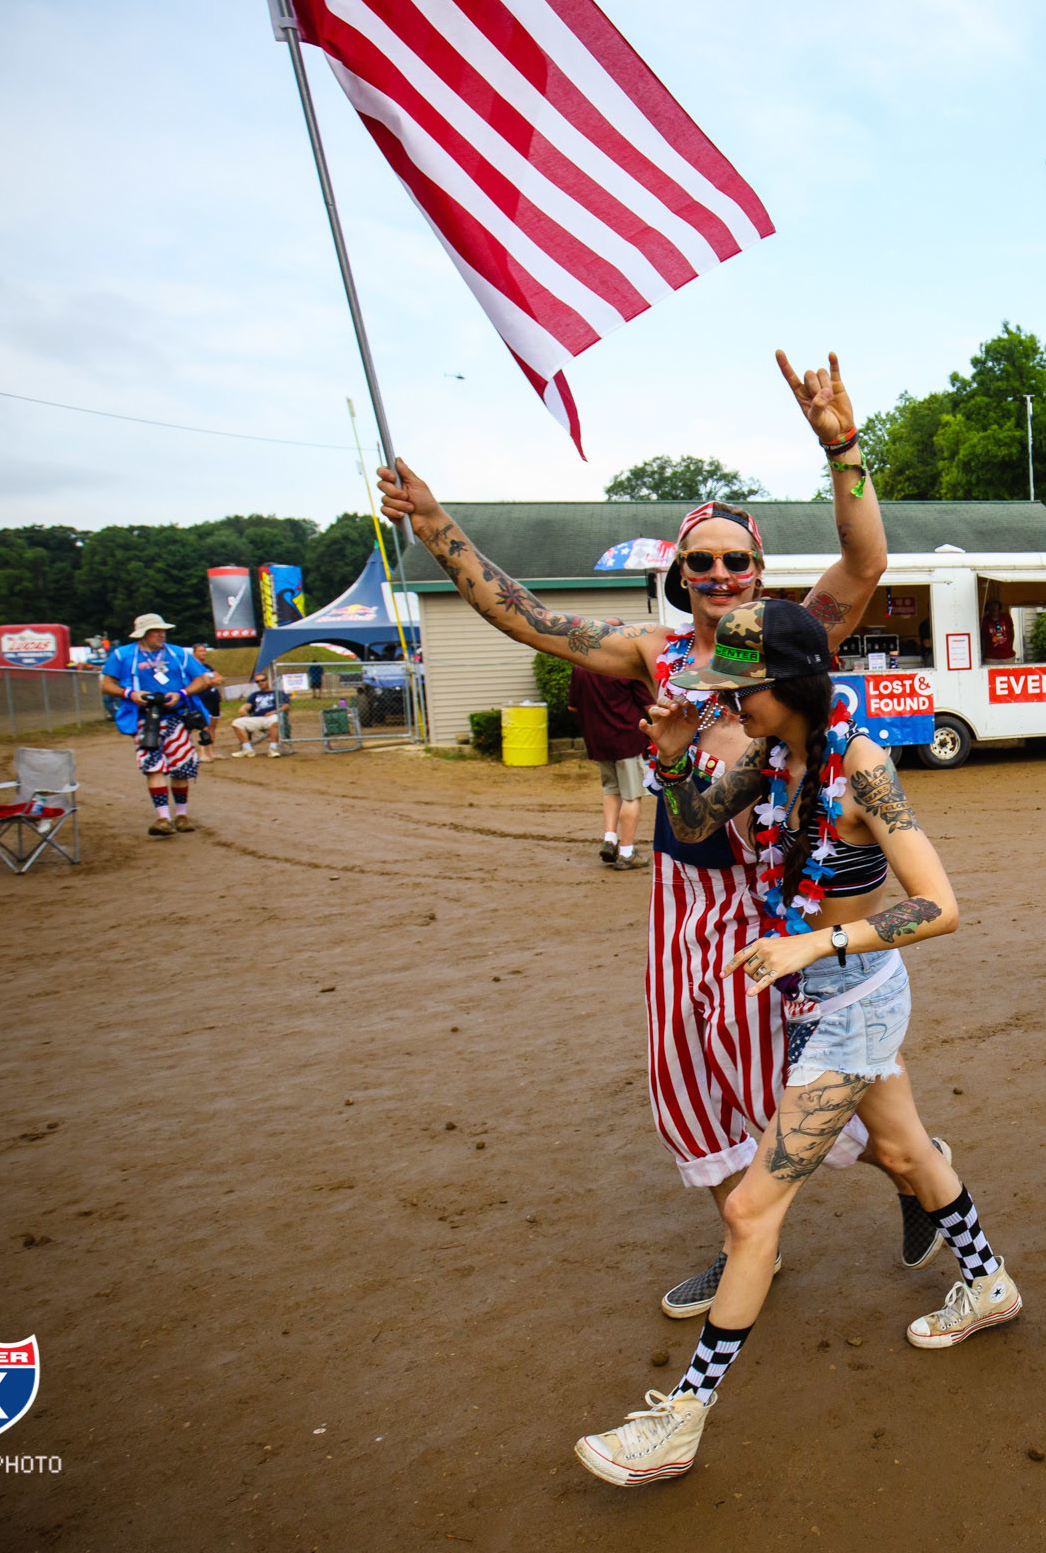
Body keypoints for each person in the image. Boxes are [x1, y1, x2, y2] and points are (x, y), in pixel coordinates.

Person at [380, 350, 936, 1317]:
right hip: (684, 897)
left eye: (737, 559)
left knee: (833, 1085)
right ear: (680, 575)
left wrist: (842, 445)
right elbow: (531, 622)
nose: (721, 573)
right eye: (703, 561)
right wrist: (437, 528)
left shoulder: (797, 632)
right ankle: (743, 1236)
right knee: (692, 1074)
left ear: (760, 573)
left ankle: (917, 1188)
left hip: (778, 897)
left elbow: (866, 562)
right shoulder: (655, 652)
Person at [573, 597, 1013, 1488]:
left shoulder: (864, 770)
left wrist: (818, 941)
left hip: (853, 1004)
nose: (730, 708)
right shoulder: (774, 759)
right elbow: (694, 825)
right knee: (902, 1151)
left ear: (792, 683)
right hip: (816, 998)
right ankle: (991, 1282)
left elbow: (941, 905)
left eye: (743, 692)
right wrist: (665, 758)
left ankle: (681, 1421)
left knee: (749, 1212)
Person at [100, 613, 218, 838]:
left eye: (163, 630)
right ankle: (163, 818)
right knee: (153, 765)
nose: (161, 634)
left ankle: (182, 815)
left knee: (182, 765)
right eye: (155, 631)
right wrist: (130, 693)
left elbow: (202, 679)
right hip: (144, 717)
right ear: (143, 634)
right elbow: (106, 685)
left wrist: (181, 693)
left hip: (177, 715)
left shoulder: (177, 653)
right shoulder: (122, 655)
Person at [566, 657, 654, 869]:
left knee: (611, 790)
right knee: (632, 796)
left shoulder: (581, 667)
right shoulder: (627, 666)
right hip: (627, 738)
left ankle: (610, 838)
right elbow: (649, 706)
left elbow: (573, 707)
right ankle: (626, 852)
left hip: (598, 740)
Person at [229, 672, 285, 757]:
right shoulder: (254, 695)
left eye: (262, 680)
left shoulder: (277, 693)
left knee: (275, 719)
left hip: (271, 717)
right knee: (236, 722)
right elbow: (248, 705)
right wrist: (243, 708)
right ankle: (247, 750)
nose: (260, 683)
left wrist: (274, 712)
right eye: (257, 681)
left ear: (267, 680)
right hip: (256, 718)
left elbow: (286, 706)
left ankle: (273, 749)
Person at [191, 644, 224, 762]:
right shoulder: (193, 666)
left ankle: (211, 752)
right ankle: (202, 753)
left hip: (213, 698)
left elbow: (220, 678)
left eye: (204, 651)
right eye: (200, 651)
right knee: (203, 726)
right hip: (202, 698)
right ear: (194, 653)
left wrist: (211, 681)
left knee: (212, 727)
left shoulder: (207, 667)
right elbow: (204, 682)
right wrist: (211, 681)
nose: (203, 653)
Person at [980, 595, 1016, 663]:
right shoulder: (984, 620)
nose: (993, 607)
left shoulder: (1006, 617)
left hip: (1008, 656)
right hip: (991, 657)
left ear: (999, 606)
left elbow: (1012, 633)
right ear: (987, 608)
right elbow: (981, 638)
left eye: (995, 605)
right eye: (991, 605)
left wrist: (1010, 647)